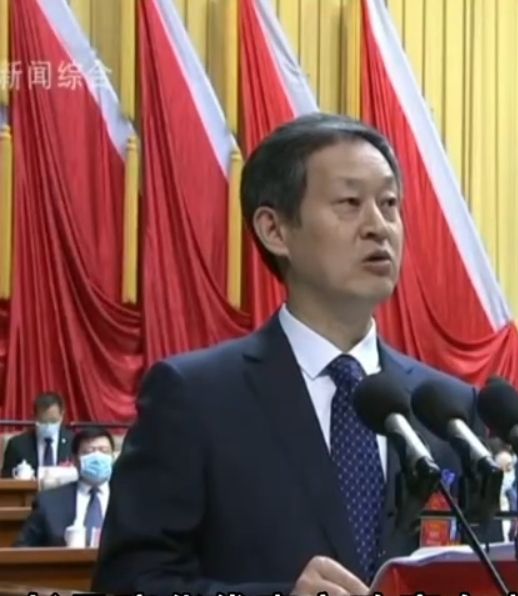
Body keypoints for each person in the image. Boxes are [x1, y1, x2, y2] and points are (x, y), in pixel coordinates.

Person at [93, 114, 483, 595]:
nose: (379, 227)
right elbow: (128, 582)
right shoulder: (195, 398)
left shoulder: (444, 408)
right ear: (275, 229)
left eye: (389, 204)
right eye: (350, 203)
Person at [14, 427, 115, 547]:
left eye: (104, 451)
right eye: (89, 452)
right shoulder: (48, 501)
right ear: (75, 460)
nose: (97, 458)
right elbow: (21, 548)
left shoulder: (129, 499)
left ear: (113, 458)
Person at [1, 392, 74, 477]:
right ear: (34, 417)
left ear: (61, 415)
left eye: (53, 420)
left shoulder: (74, 442)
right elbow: (7, 478)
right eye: (43, 421)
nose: (48, 425)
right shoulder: (17, 445)